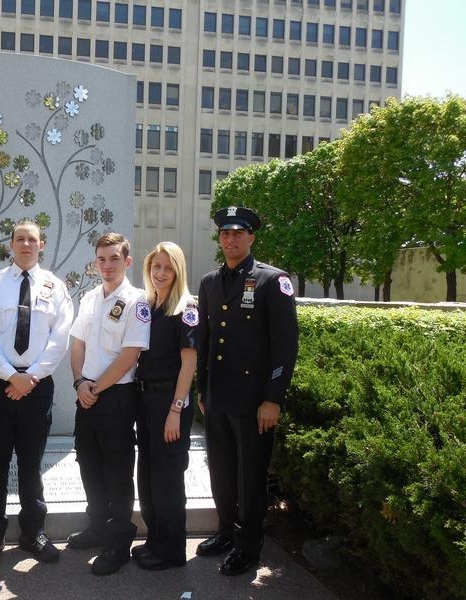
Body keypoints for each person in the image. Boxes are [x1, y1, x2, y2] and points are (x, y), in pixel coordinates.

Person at [195, 206, 299, 576]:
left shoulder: (273, 281)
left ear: (252, 237)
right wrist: (202, 391)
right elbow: (205, 341)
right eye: (225, 233)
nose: (231, 239)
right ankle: (226, 532)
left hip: (255, 401)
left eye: (238, 233)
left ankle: (249, 546)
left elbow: (285, 346)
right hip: (219, 397)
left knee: (250, 477)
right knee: (221, 472)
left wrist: (273, 398)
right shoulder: (209, 282)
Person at [0, 219, 73, 568]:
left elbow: (60, 338)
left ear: (41, 245)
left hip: (37, 386)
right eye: (20, 239)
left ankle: (33, 533)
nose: (27, 245)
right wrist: (9, 376)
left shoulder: (56, 287)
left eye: (33, 239)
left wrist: (29, 377)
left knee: (32, 465)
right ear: (11, 244)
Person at [67, 232, 151, 576]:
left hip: (116, 396)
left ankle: (119, 540)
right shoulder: (89, 298)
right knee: (89, 464)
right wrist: (79, 384)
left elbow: (129, 356)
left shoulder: (138, 301)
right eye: (101, 259)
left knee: (117, 471)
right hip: (86, 394)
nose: (107, 265)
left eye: (114, 258)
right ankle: (97, 526)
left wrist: (94, 388)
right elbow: (77, 344)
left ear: (127, 261)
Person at [132, 242, 198, 571]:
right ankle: (156, 539)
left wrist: (175, 410)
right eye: (156, 267)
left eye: (167, 268)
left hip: (170, 402)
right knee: (148, 473)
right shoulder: (150, 305)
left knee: (168, 477)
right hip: (146, 400)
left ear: (178, 271)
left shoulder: (186, 308)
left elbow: (189, 366)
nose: (160, 273)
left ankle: (172, 551)